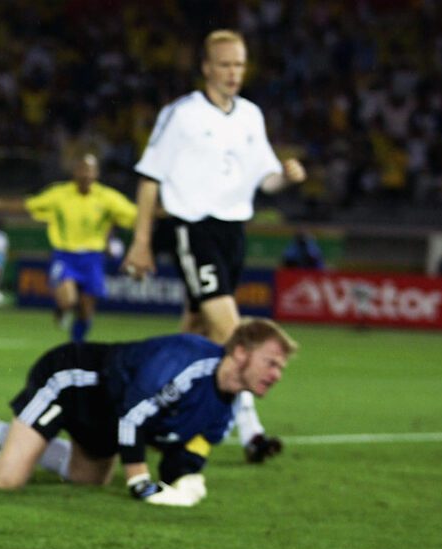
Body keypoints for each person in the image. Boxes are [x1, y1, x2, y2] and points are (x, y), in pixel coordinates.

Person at [121, 30, 306, 463]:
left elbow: (267, 179)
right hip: (193, 228)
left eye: (239, 65)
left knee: (197, 334)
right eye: (224, 64)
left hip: (233, 232)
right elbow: (150, 177)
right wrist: (142, 241)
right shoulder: (181, 114)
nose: (232, 73)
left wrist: (288, 177)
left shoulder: (251, 116)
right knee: (230, 330)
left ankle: (156, 406)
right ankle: (251, 431)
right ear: (206, 67)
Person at [0, 318, 298, 507]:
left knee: (88, 478)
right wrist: (140, 481)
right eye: (271, 363)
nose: (277, 375)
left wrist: (187, 482)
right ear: (241, 353)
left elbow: (187, 455)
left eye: (280, 368)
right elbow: (133, 418)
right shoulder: (188, 361)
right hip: (71, 380)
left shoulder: (225, 407)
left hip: (106, 412)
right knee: (3, 482)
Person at [25, 153, 137, 342]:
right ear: (75, 172)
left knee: (86, 311)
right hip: (65, 255)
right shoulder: (59, 194)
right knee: (68, 300)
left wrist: (161, 211)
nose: (86, 174)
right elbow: (30, 205)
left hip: (93, 258)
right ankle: (61, 309)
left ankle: (76, 345)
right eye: (83, 169)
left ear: (97, 173)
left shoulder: (107, 197)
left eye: (90, 170)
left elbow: (134, 214)